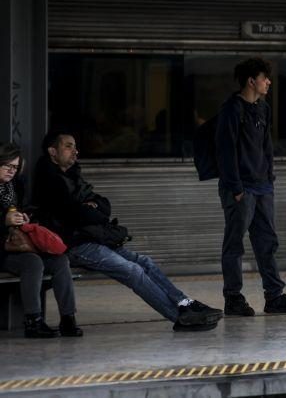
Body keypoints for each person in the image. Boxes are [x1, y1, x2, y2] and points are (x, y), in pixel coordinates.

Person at [32, 130, 222, 332]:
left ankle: (185, 304)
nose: (75, 151)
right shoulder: (49, 180)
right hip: (76, 244)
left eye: (75, 146)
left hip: (96, 238)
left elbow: (104, 206)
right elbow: (75, 213)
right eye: (68, 146)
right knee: (133, 271)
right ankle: (179, 318)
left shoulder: (73, 175)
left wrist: (91, 209)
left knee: (144, 262)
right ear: (52, 151)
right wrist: (90, 210)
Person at [215, 57, 286, 316]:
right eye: (264, 78)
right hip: (241, 188)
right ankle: (233, 298)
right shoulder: (232, 109)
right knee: (234, 244)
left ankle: (274, 296)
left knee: (267, 243)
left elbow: (266, 146)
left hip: (263, 186)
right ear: (251, 81)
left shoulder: (263, 108)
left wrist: (269, 178)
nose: (268, 82)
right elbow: (225, 151)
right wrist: (235, 188)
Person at [0, 142, 82, 338]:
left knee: (60, 260)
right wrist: (4, 220)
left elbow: (23, 210)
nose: (12, 171)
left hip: (19, 244)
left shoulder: (14, 187)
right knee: (33, 262)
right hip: (4, 249)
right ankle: (33, 321)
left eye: (16, 167)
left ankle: (68, 318)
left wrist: (24, 218)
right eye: (8, 166)